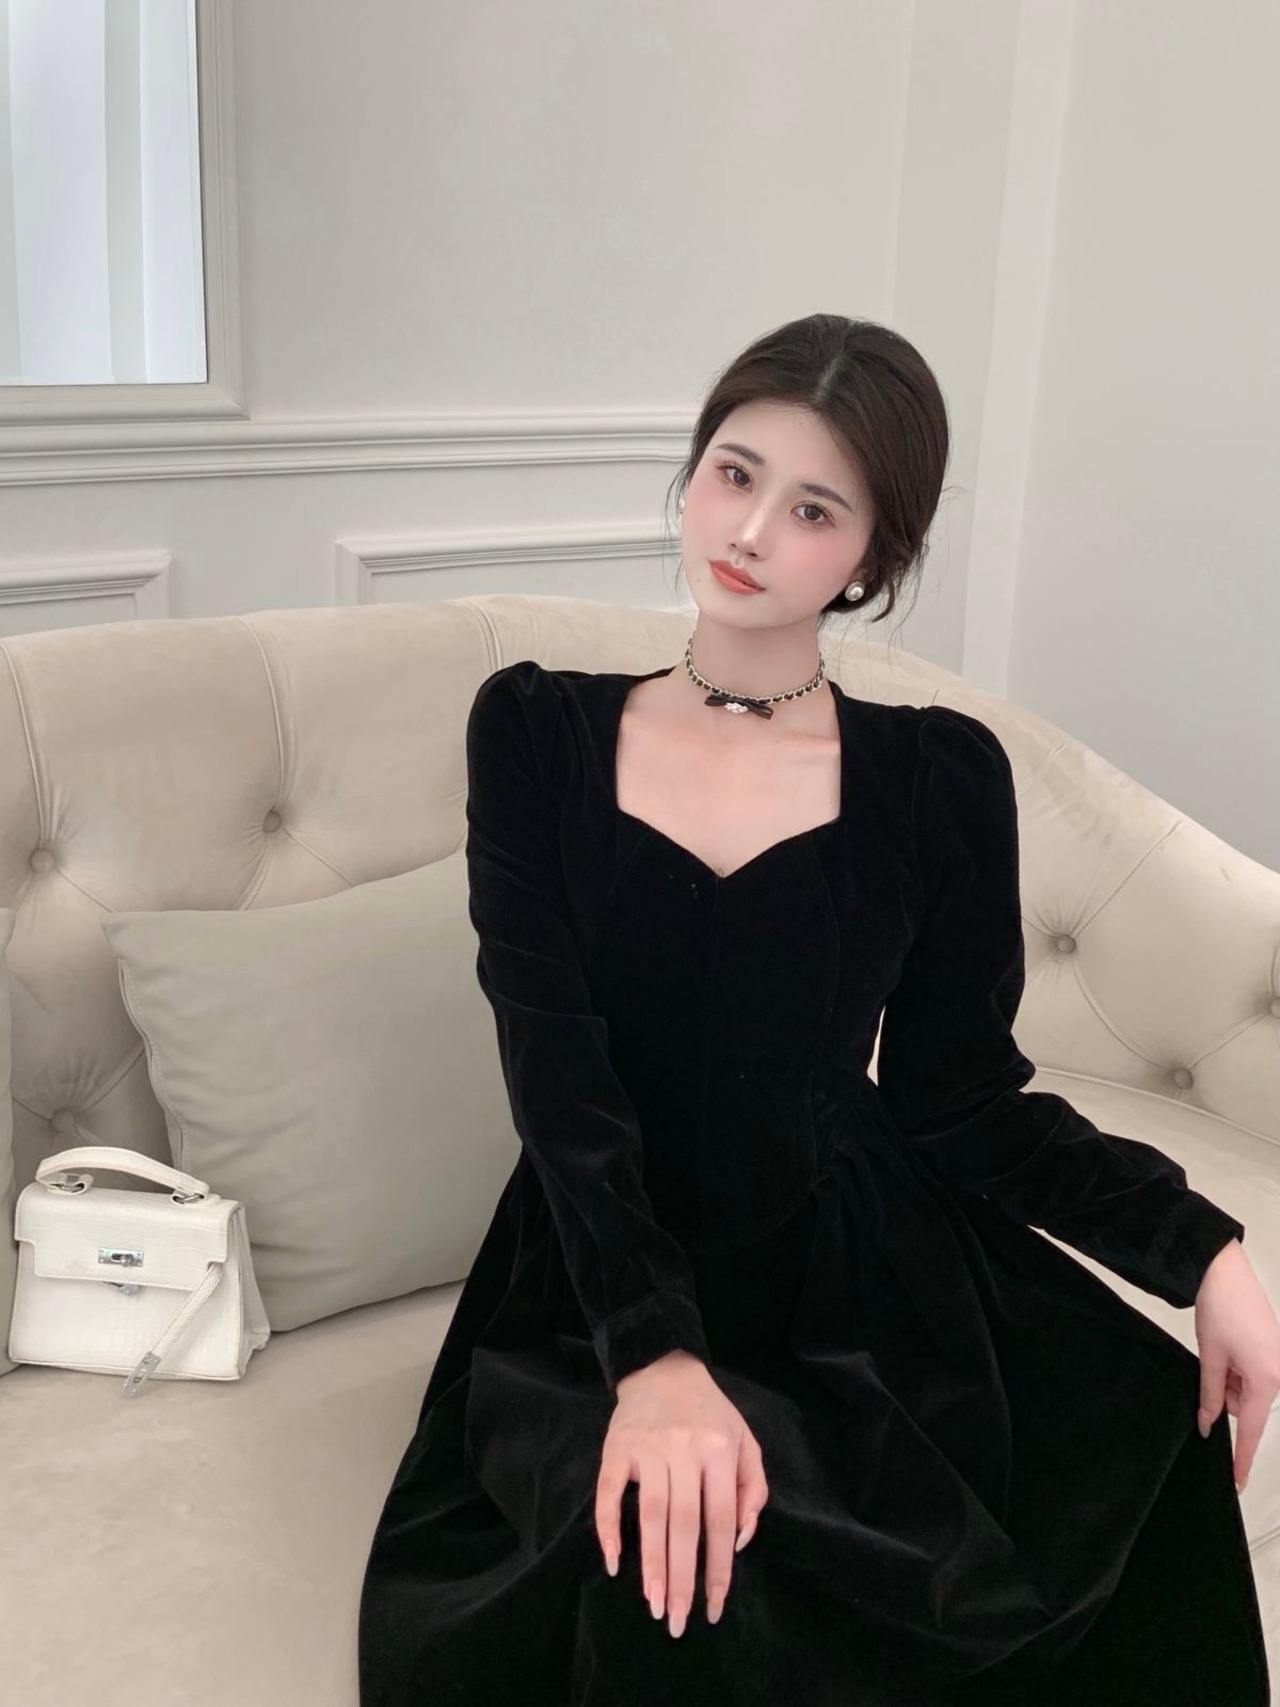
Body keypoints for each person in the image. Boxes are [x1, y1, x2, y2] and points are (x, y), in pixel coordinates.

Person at [357, 314, 1276, 1705]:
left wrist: (1199, 1249)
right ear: (692, 474)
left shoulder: (936, 777)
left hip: (852, 1264)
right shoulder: (538, 732)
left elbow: (964, 1099)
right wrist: (655, 1360)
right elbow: (558, 1075)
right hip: (599, 1265)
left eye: (813, 508)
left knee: (1126, 1447)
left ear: (872, 560)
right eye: (734, 474)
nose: (750, 531)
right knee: (674, 1569)